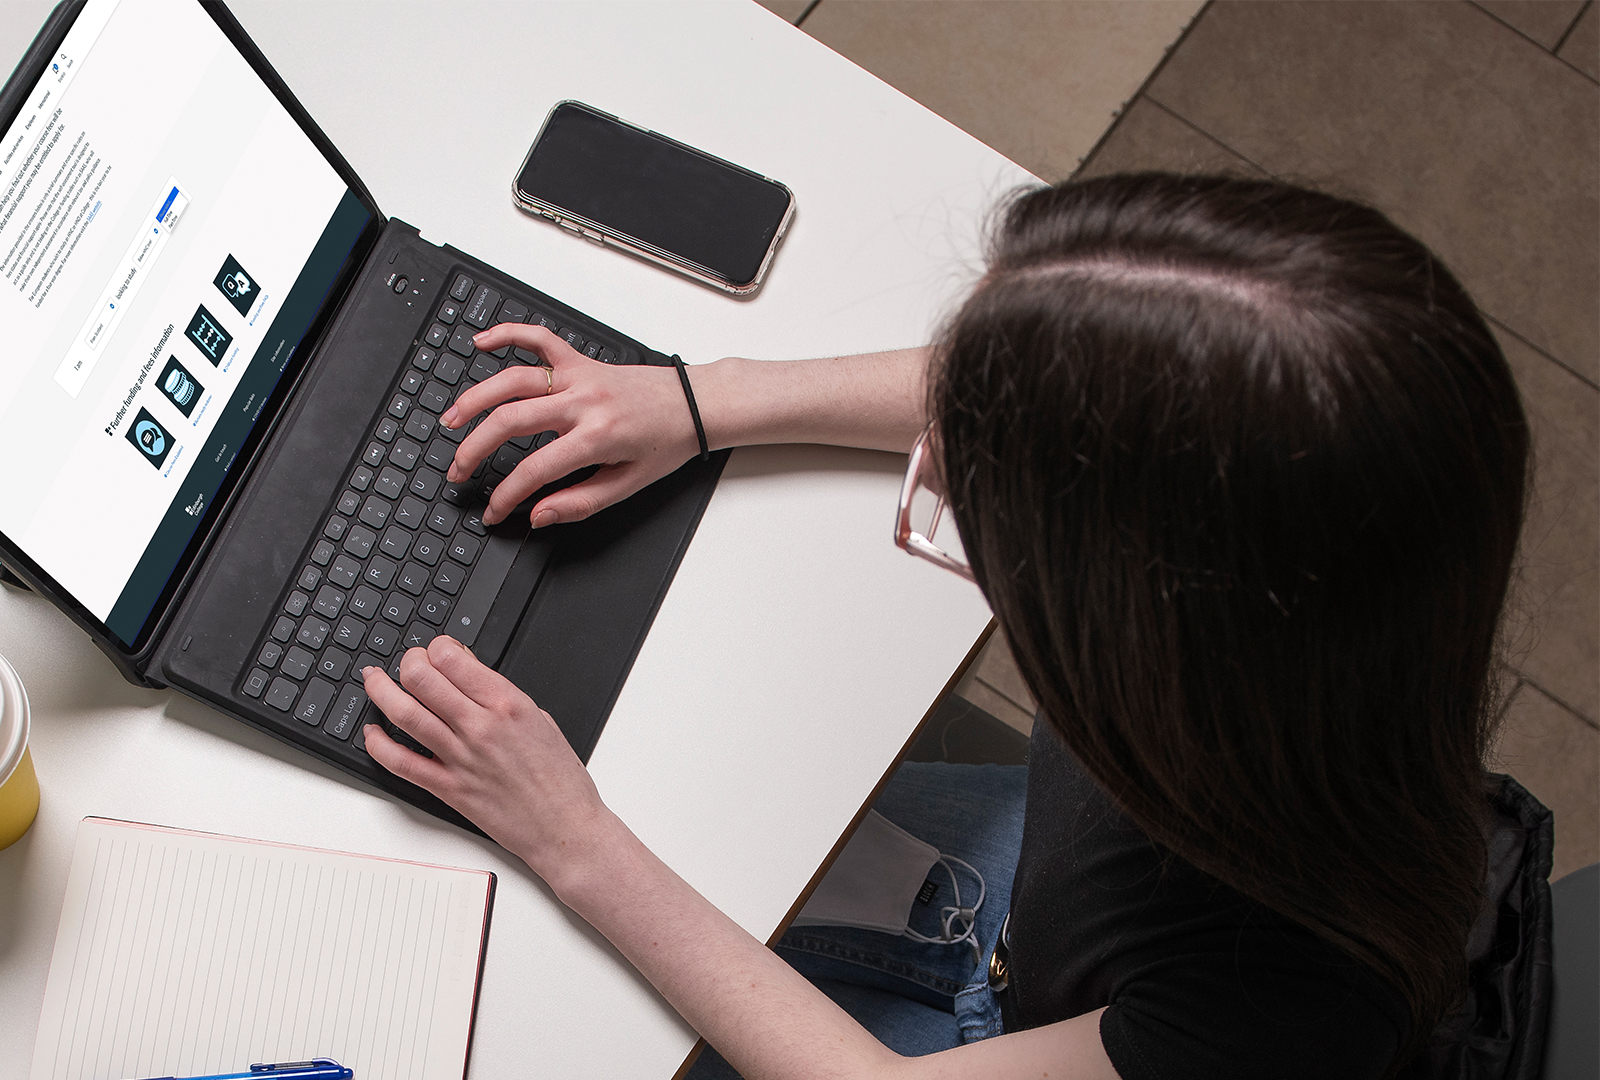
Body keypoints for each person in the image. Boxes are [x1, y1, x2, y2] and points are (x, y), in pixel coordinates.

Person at [358, 173, 1533, 1080]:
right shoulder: (1344, 560)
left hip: (1034, 1022)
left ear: (1143, 635)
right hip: (1052, 907)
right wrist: (705, 398)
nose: (952, 483)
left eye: (985, 514)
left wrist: (572, 839)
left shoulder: (1275, 1007)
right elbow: (1044, 386)